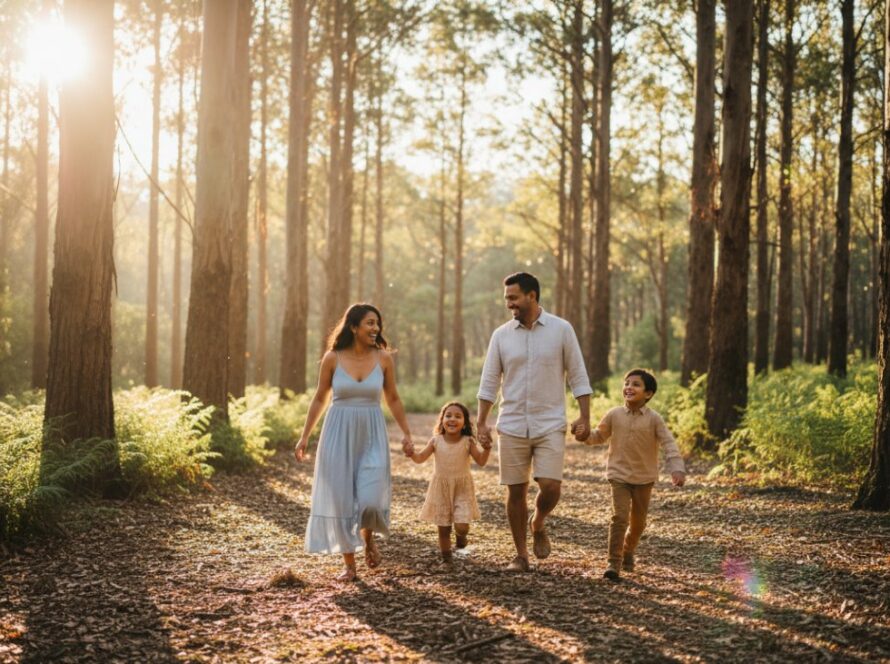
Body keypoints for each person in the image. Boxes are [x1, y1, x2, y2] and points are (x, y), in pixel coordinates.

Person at [476, 272, 592, 572]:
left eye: (513, 298)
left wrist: (585, 415)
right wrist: (481, 423)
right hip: (512, 422)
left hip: (550, 421)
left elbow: (578, 374)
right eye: (506, 299)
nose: (509, 304)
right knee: (515, 491)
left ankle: (538, 522)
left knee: (551, 486)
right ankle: (521, 555)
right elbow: (489, 381)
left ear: (532, 295)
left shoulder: (561, 330)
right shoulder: (501, 336)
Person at [294, 303, 413, 582]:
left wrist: (407, 433)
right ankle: (350, 564)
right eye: (370, 323)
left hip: (372, 432)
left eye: (377, 323)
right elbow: (320, 397)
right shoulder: (332, 358)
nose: (375, 328)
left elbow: (393, 398)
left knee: (371, 499)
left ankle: (368, 538)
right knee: (341, 500)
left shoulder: (383, 358)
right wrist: (305, 435)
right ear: (353, 327)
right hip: (337, 432)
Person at [582, 368, 686, 581]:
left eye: (636, 384)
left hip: (644, 478)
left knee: (638, 524)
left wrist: (676, 467)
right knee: (619, 517)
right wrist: (584, 434)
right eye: (627, 383)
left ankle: (628, 549)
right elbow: (599, 435)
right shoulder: (614, 414)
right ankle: (614, 562)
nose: (629, 387)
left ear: (648, 393)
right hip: (618, 475)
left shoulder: (654, 419)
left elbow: (668, 442)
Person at [402, 402, 491, 564]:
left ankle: (461, 535)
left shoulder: (468, 441)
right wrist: (411, 453)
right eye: (448, 415)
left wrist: (487, 448)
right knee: (443, 526)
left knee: (462, 524)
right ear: (442, 420)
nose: (452, 419)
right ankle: (446, 557)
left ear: (464, 423)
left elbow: (481, 461)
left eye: (458, 416)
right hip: (440, 489)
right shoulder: (436, 440)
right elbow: (420, 458)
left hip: (462, 488)